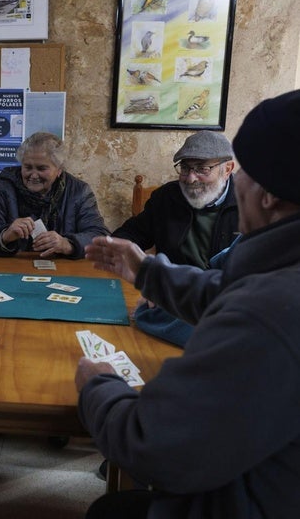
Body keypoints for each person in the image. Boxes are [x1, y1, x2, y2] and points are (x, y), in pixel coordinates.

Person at [77, 89, 300, 519]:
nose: (195, 178)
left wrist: (97, 385)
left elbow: (152, 444)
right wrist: (147, 271)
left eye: (242, 175)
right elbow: (228, 290)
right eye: (187, 168)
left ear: (266, 193)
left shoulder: (267, 313)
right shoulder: (275, 277)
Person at [112, 130, 239, 348]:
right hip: (166, 301)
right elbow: (127, 237)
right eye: (185, 168)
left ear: (227, 169)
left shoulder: (250, 203)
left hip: (221, 308)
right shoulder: (166, 197)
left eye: (202, 169)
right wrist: (150, 276)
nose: (190, 178)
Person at [0, 132, 110, 259]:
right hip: (13, 267)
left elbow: (101, 237)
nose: (33, 175)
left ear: (59, 170)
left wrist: (67, 244)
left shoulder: (79, 191)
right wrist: (5, 236)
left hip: (63, 270)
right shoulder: (4, 188)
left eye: (41, 168)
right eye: (27, 167)